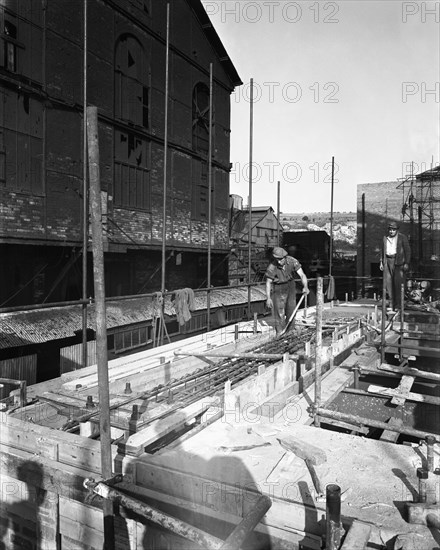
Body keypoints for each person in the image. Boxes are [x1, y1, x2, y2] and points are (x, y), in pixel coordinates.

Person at [265, 246, 309, 336]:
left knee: (291, 309)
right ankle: (280, 332)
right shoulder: (272, 267)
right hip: (278, 287)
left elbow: (302, 275)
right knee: (279, 311)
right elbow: (268, 283)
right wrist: (268, 298)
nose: (278, 261)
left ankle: (290, 331)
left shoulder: (292, 261)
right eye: (276, 259)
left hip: (290, 285)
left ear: (285, 257)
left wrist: (305, 286)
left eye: (280, 259)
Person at [380, 221, 411, 311]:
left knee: (398, 284)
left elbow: (407, 251)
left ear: (396, 230)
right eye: (390, 229)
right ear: (388, 230)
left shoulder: (402, 237)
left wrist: (407, 263)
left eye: (393, 230)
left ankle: (398, 305)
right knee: (388, 283)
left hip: (398, 263)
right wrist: (381, 262)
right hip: (387, 261)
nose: (391, 231)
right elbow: (382, 250)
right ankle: (391, 304)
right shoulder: (385, 238)